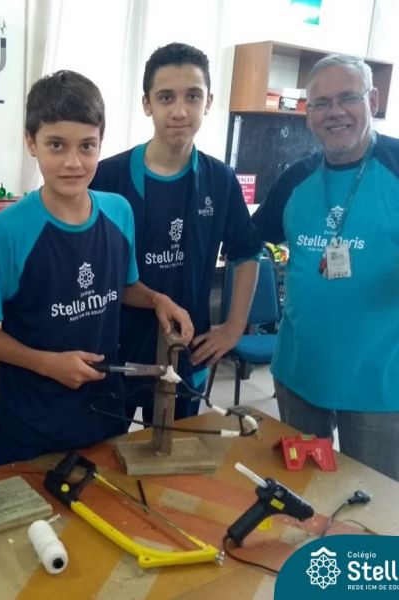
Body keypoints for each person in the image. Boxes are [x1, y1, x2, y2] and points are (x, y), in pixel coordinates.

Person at [0, 70, 193, 468]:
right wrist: (47, 363)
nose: (73, 162)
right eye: (56, 145)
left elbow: (122, 286)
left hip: (105, 416)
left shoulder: (119, 212)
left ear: (101, 143)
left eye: (87, 146)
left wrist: (157, 299)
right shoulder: (6, 231)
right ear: (31, 142)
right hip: (29, 425)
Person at [91, 43, 262, 422]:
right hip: (114, 349)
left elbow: (248, 252)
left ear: (209, 102)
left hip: (186, 352)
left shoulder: (220, 180)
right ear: (147, 103)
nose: (180, 111)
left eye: (193, 96)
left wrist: (234, 327)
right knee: (107, 451)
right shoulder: (106, 177)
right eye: (166, 97)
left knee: (175, 450)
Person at [252, 54, 399, 481]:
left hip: (379, 385)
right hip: (299, 377)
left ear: (373, 100)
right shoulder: (295, 179)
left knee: (370, 503)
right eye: (321, 103)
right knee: (303, 492)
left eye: (347, 97)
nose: (335, 112)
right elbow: (247, 241)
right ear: (308, 113)